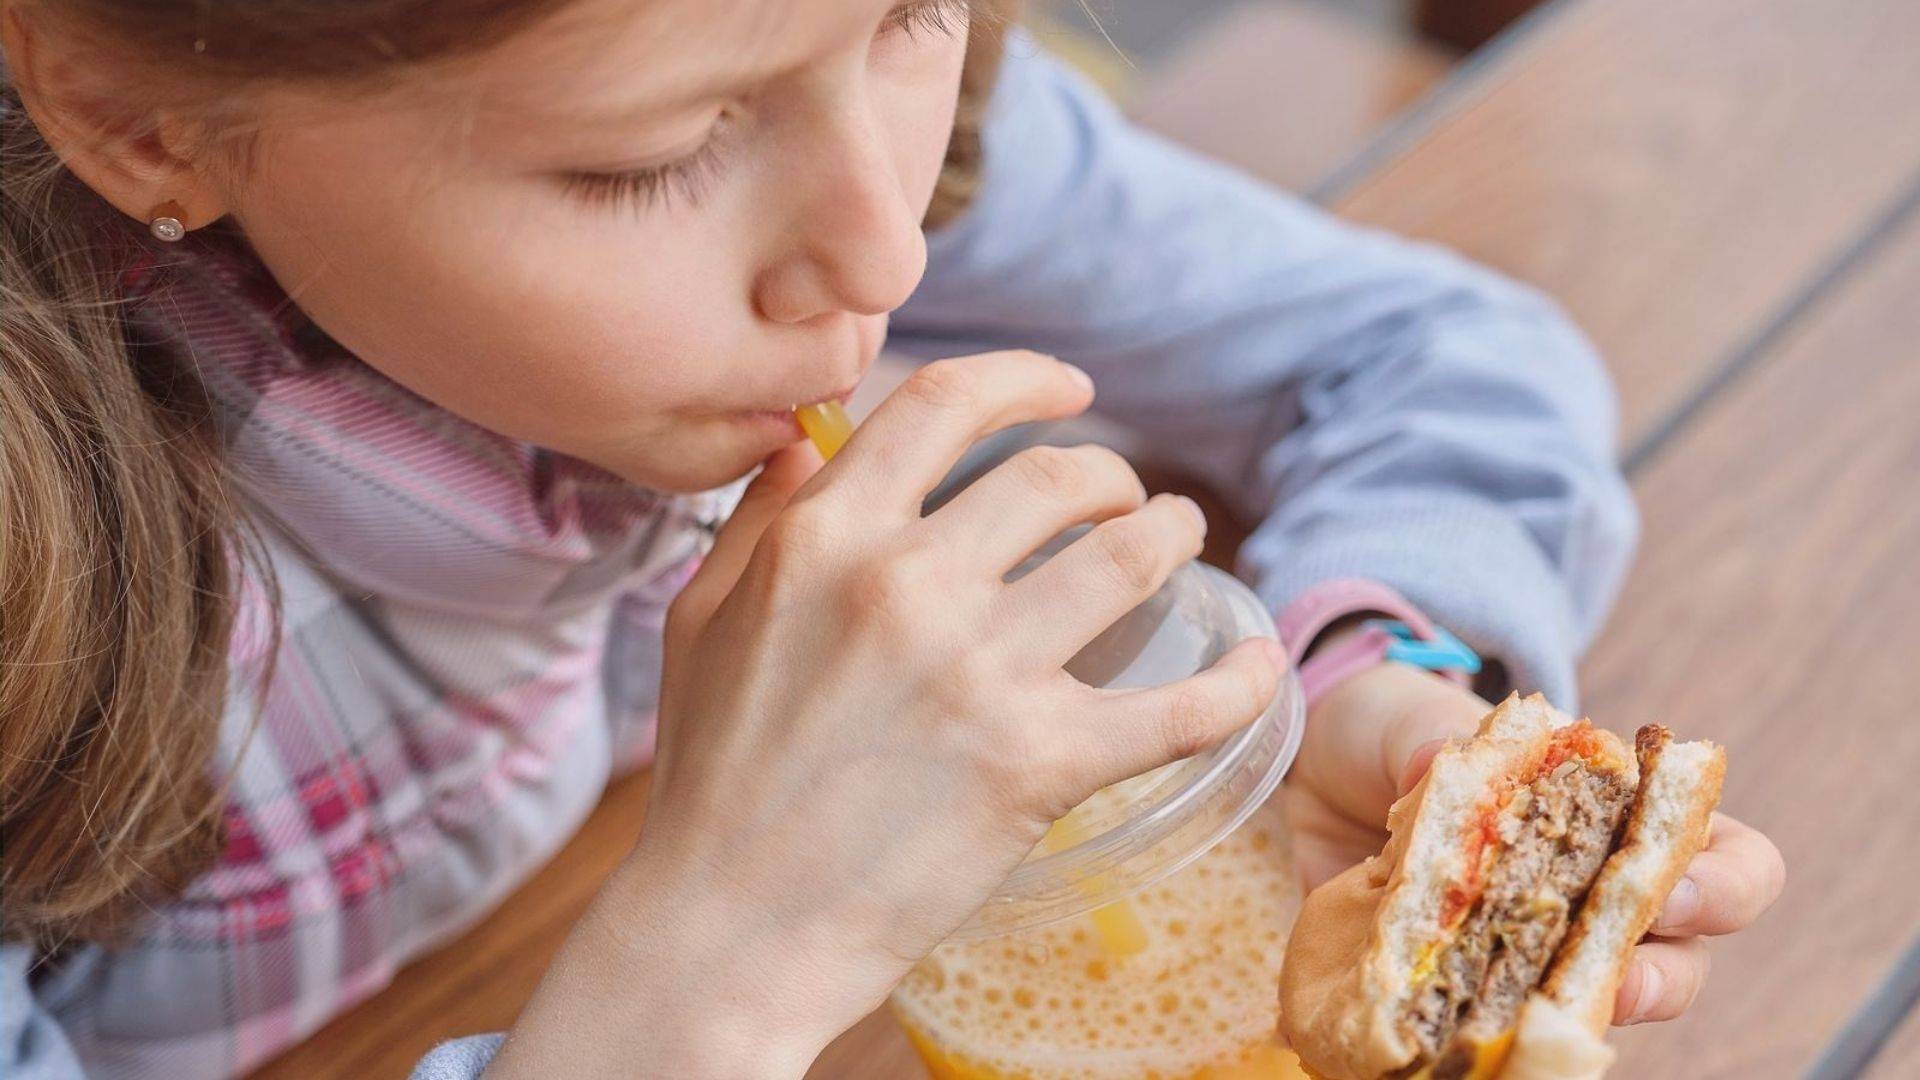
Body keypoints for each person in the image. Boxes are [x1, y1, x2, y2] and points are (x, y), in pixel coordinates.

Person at [0, 1, 1784, 1077]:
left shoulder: (834, 100)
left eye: (916, 9)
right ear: (132, 113)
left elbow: (1444, 355)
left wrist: (1369, 677)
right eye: (650, 160)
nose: (884, 256)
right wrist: (721, 955)